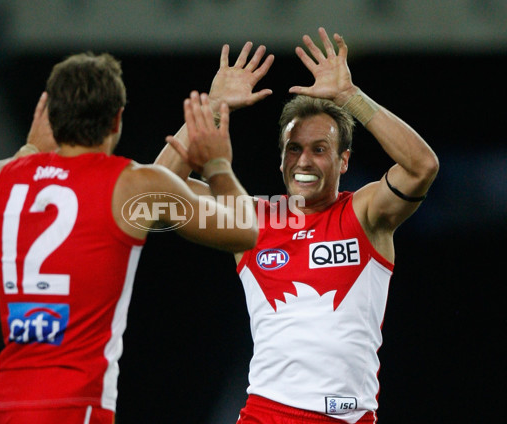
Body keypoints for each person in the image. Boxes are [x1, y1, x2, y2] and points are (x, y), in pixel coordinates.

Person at [0, 52, 258, 424]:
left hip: (7, 406)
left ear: (52, 118)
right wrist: (217, 163)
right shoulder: (132, 186)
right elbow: (243, 230)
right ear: (117, 120)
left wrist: (27, 153)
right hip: (76, 408)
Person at [155, 27, 439, 423]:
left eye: (319, 149)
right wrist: (214, 104)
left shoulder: (364, 214)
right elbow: (156, 195)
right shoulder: (251, 217)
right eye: (294, 149)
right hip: (266, 415)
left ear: (343, 161)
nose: (303, 161)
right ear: (281, 159)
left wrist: (349, 97)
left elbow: (422, 166)